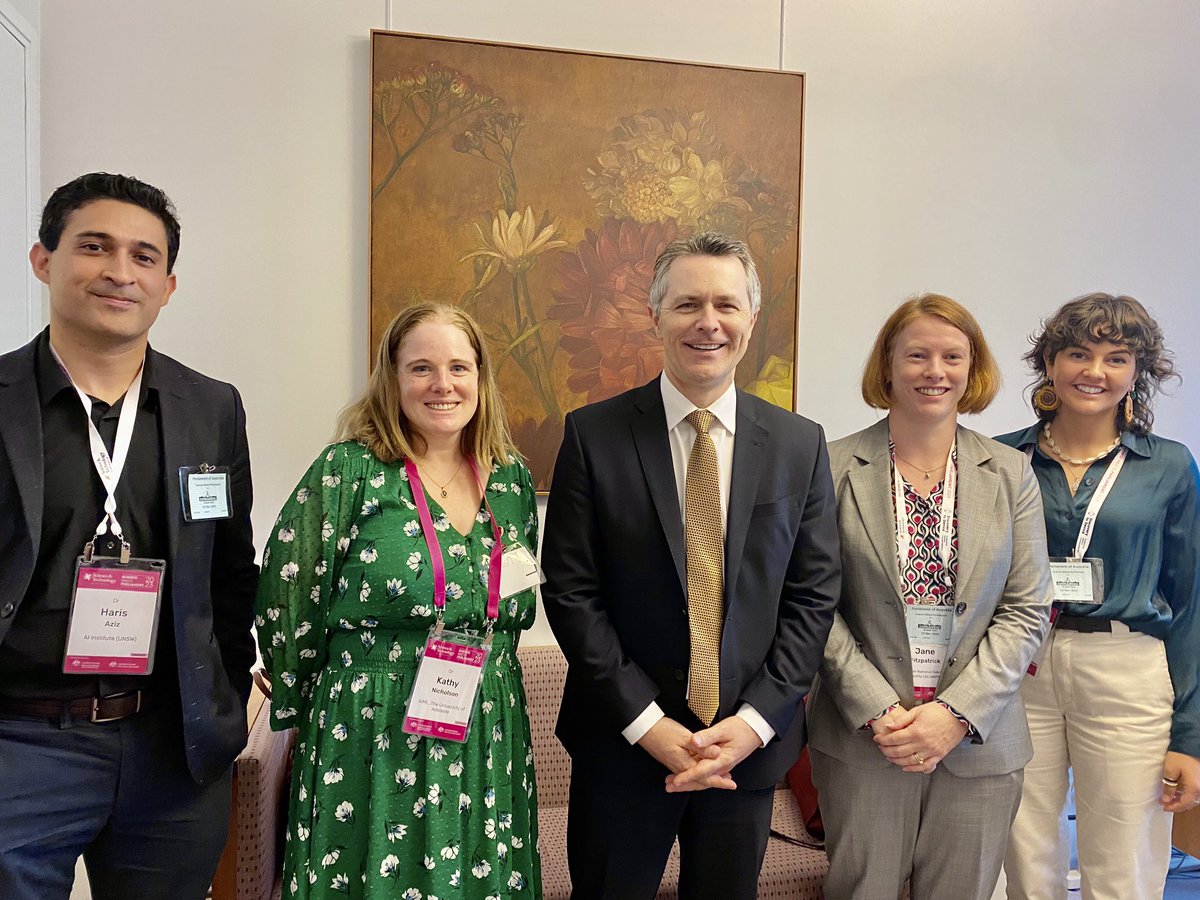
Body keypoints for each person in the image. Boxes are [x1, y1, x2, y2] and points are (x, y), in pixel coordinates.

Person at [540, 232, 841, 899]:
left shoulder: (800, 445)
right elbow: (571, 593)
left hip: (744, 752)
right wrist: (651, 726)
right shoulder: (593, 436)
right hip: (623, 747)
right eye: (687, 305)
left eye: (727, 305)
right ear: (655, 316)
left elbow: (813, 597)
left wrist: (754, 723)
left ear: (752, 320)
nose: (709, 322)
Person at [0, 173, 259, 899]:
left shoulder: (211, 407)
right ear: (43, 260)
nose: (121, 271)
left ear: (168, 285)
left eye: (145, 257)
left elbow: (231, 574)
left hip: (169, 750)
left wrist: (224, 707)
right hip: (19, 743)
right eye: (95, 247)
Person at [256, 302, 542, 899]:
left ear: (481, 378)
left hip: (486, 721)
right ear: (391, 379)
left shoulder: (511, 478)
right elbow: (288, 591)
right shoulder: (349, 470)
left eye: (459, 367)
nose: (443, 385)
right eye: (422, 368)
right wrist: (310, 696)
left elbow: (515, 606)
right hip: (368, 723)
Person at [805, 294, 1053, 900]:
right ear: (887, 365)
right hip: (867, 737)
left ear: (973, 370)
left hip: (979, 742)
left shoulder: (1011, 471)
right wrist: (878, 709)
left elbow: (1027, 608)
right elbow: (813, 604)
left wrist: (955, 713)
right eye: (916, 355)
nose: (934, 371)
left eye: (952, 356)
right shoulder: (829, 466)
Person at [998, 293, 1200, 900]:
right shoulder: (1003, 458)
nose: (1095, 371)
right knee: (1021, 846)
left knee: (1125, 851)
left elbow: (1190, 604)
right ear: (1050, 364)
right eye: (1078, 353)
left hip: (1126, 665)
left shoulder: (1169, 467)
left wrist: (1190, 736)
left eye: (1117, 357)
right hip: (1019, 661)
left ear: (1139, 372)